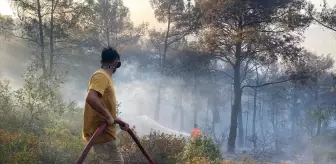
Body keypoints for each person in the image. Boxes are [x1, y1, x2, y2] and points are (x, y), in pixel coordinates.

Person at [82, 47, 129, 164]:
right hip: (103, 135)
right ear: (116, 63)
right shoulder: (101, 76)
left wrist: (119, 121)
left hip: (106, 135)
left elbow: (104, 108)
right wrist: (108, 116)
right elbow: (91, 98)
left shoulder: (104, 77)